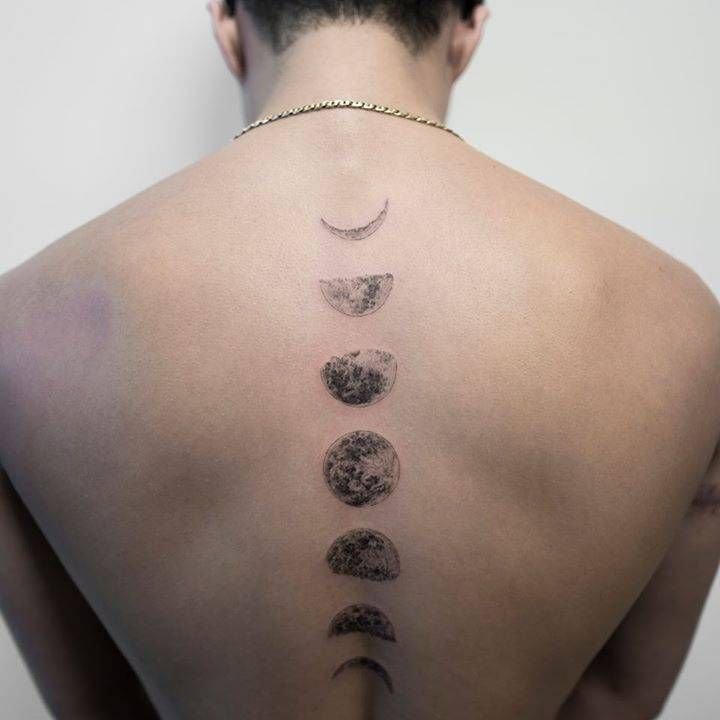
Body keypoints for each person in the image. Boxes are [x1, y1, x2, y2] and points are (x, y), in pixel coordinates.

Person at [1, 1, 719, 717]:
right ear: (468, 25)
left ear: (226, 23)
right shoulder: (682, 326)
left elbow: (101, 704)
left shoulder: (25, 328)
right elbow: (613, 701)